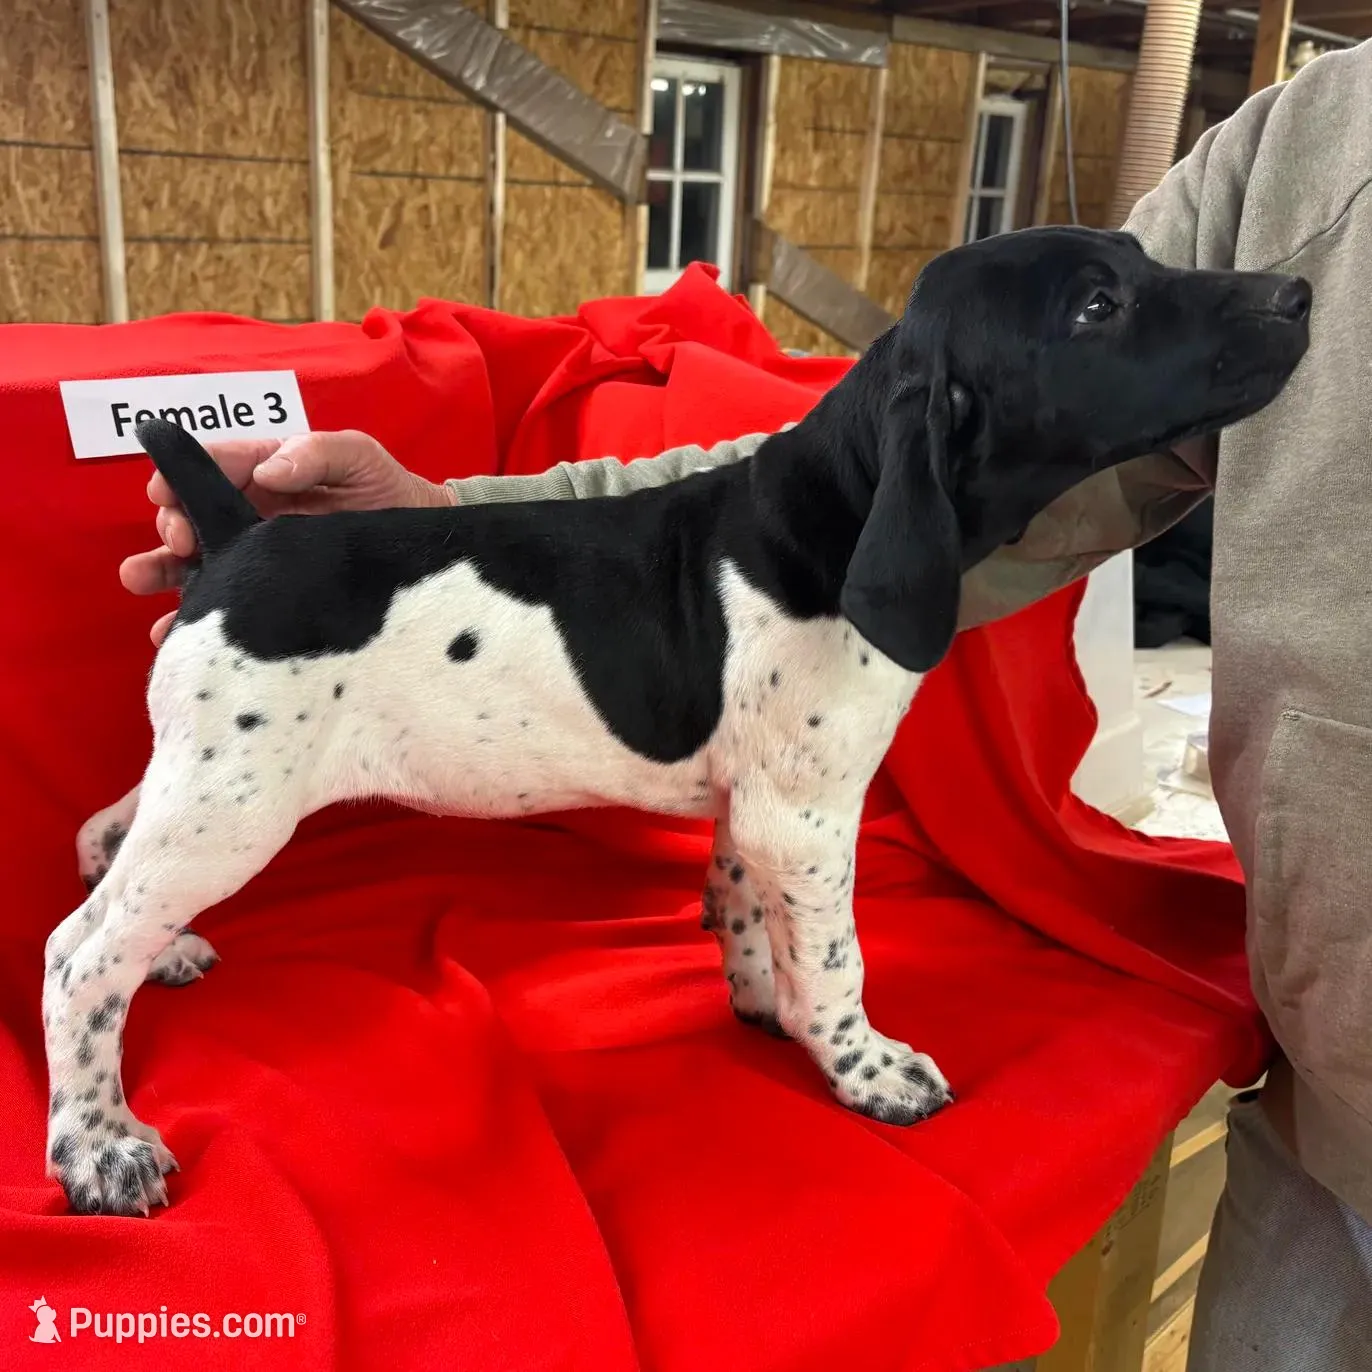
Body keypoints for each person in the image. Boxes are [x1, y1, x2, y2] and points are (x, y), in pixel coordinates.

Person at [121, 42, 1372, 1371]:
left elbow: (782, 780)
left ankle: (807, 1009)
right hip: (1328, 1109)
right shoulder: (1316, 135)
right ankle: (112, 947)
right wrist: (445, 527)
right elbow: (827, 474)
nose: (1271, 296)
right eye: (1106, 306)